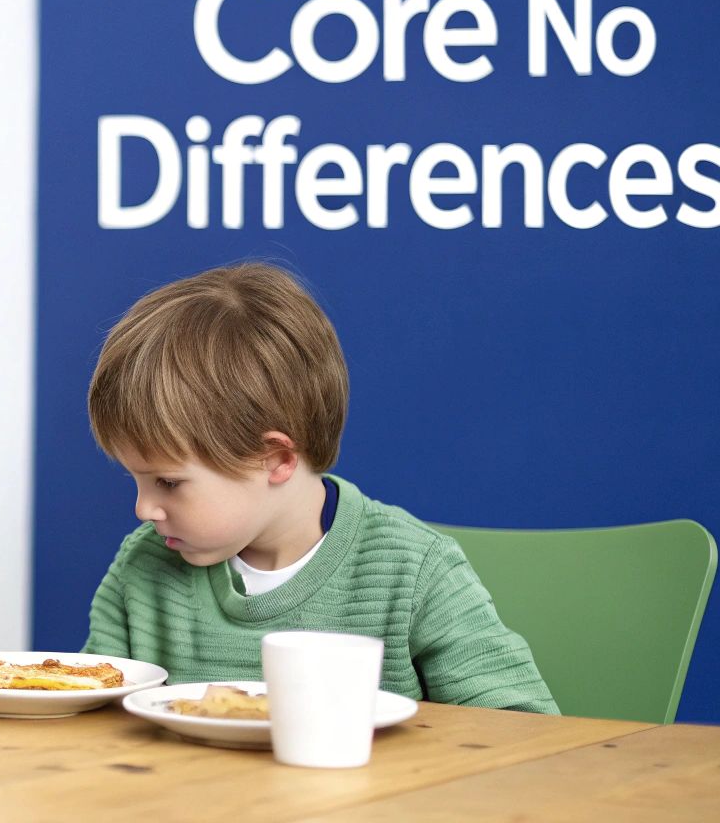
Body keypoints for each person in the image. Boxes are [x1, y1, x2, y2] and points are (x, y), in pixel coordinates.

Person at [82, 262, 557, 713]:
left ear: (276, 460)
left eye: (168, 482)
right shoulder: (142, 567)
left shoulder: (412, 571)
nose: (144, 509)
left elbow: (525, 729)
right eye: (135, 479)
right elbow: (91, 715)